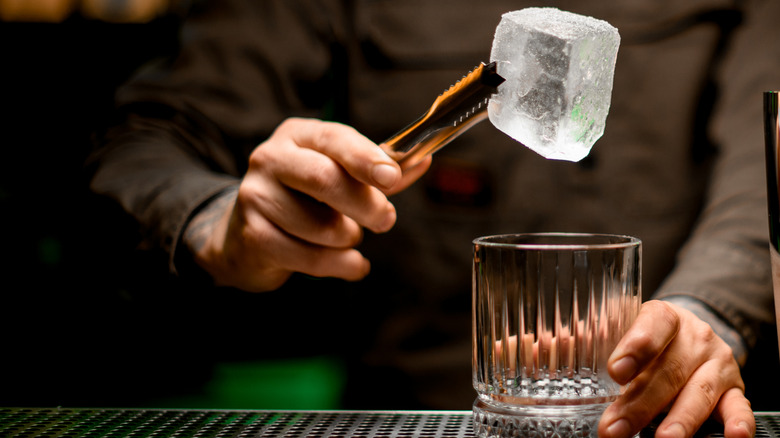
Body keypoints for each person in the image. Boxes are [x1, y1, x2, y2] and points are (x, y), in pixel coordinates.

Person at [85, 0, 780, 437]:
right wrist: (215, 221)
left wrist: (704, 317)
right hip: (407, 414)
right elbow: (142, 138)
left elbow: (771, 139)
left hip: (663, 418)